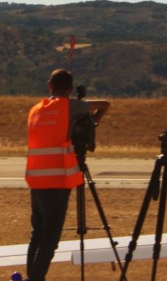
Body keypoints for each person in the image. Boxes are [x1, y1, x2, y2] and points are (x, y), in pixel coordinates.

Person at [23, 69, 107, 281]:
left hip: (36, 178)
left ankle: (31, 276)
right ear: (70, 89)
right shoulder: (72, 106)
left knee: (37, 234)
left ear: (49, 85)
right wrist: (94, 121)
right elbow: (106, 104)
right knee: (50, 238)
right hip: (59, 178)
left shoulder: (36, 109)